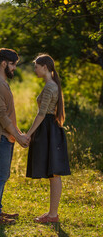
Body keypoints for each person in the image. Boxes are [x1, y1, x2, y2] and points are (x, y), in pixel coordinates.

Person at [0, 48, 29, 226]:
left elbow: (8, 115)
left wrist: (18, 134)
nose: (14, 68)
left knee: (2, 176)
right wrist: (18, 138)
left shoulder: (2, 83)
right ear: (4, 63)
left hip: (6, 136)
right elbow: (2, 116)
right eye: (12, 64)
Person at [26, 54, 71, 223]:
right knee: (53, 174)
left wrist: (28, 135)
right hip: (50, 129)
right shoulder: (51, 85)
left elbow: (41, 114)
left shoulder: (50, 87)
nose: (35, 69)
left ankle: (53, 215)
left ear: (45, 67)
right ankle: (52, 213)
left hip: (48, 129)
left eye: (36, 66)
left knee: (54, 173)